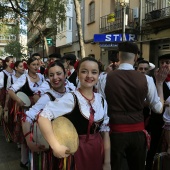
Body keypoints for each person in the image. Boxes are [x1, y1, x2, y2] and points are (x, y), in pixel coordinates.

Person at [98, 41, 169, 170]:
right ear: (136, 58)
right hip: (137, 134)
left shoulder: (105, 78)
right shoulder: (146, 79)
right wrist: (159, 84)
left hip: (114, 133)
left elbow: (101, 107)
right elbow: (158, 109)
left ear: (119, 56)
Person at [38, 57, 111, 170]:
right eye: (84, 71)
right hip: (77, 151)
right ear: (77, 74)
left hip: (96, 150)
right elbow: (43, 117)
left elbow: (105, 133)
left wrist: (107, 162)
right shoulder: (71, 98)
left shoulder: (101, 100)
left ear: (99, 75)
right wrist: (55, 146)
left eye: (94, 72)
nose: (89, 76)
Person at [21, 61, 75, 169]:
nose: (55, 77)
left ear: (65, 74)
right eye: (51, 75)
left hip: (71, 142)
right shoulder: (47, 97)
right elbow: (27, 117)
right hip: (54, 145)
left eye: (59, 74)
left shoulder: (72, 91)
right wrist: (28, 141)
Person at [8, 56, 45, 169]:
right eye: (33, 64)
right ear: (28, 66)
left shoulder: (42, 77)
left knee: (39, 134)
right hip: (27, 109)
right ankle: (24, 161)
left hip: (42, 109)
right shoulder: (24, 78)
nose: (36, 67)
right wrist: (19, 100)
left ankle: (39, 158)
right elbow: (10, 90)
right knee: (27, 135)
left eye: (37, 64)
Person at [146, 53, 170, 170]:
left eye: (168, 63)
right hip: (158, 121)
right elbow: (152, 101)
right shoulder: (153, 81)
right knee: (154, 149)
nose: (164, 65)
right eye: (162, 63)